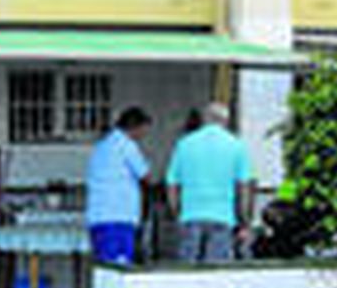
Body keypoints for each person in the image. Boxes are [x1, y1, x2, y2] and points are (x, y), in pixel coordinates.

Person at [166, 102, 254, 263]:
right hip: (223, 217)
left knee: (187, 270)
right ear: (226, 121)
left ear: (204, 120)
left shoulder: (184, 144)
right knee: (216, 271)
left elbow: (172, 184)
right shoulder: (236, 146)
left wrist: (176, 212)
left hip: (190, 215)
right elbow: (244, 188)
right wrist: (244, 221)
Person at [84, 107, 153, 265]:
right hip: (119, 217)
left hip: (98, 218)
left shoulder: (101, 145)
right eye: (143, 130)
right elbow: (146, 176)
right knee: (120, 267)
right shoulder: (127, 145)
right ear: (134, 127)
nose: (143, 136)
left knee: (104, 267)